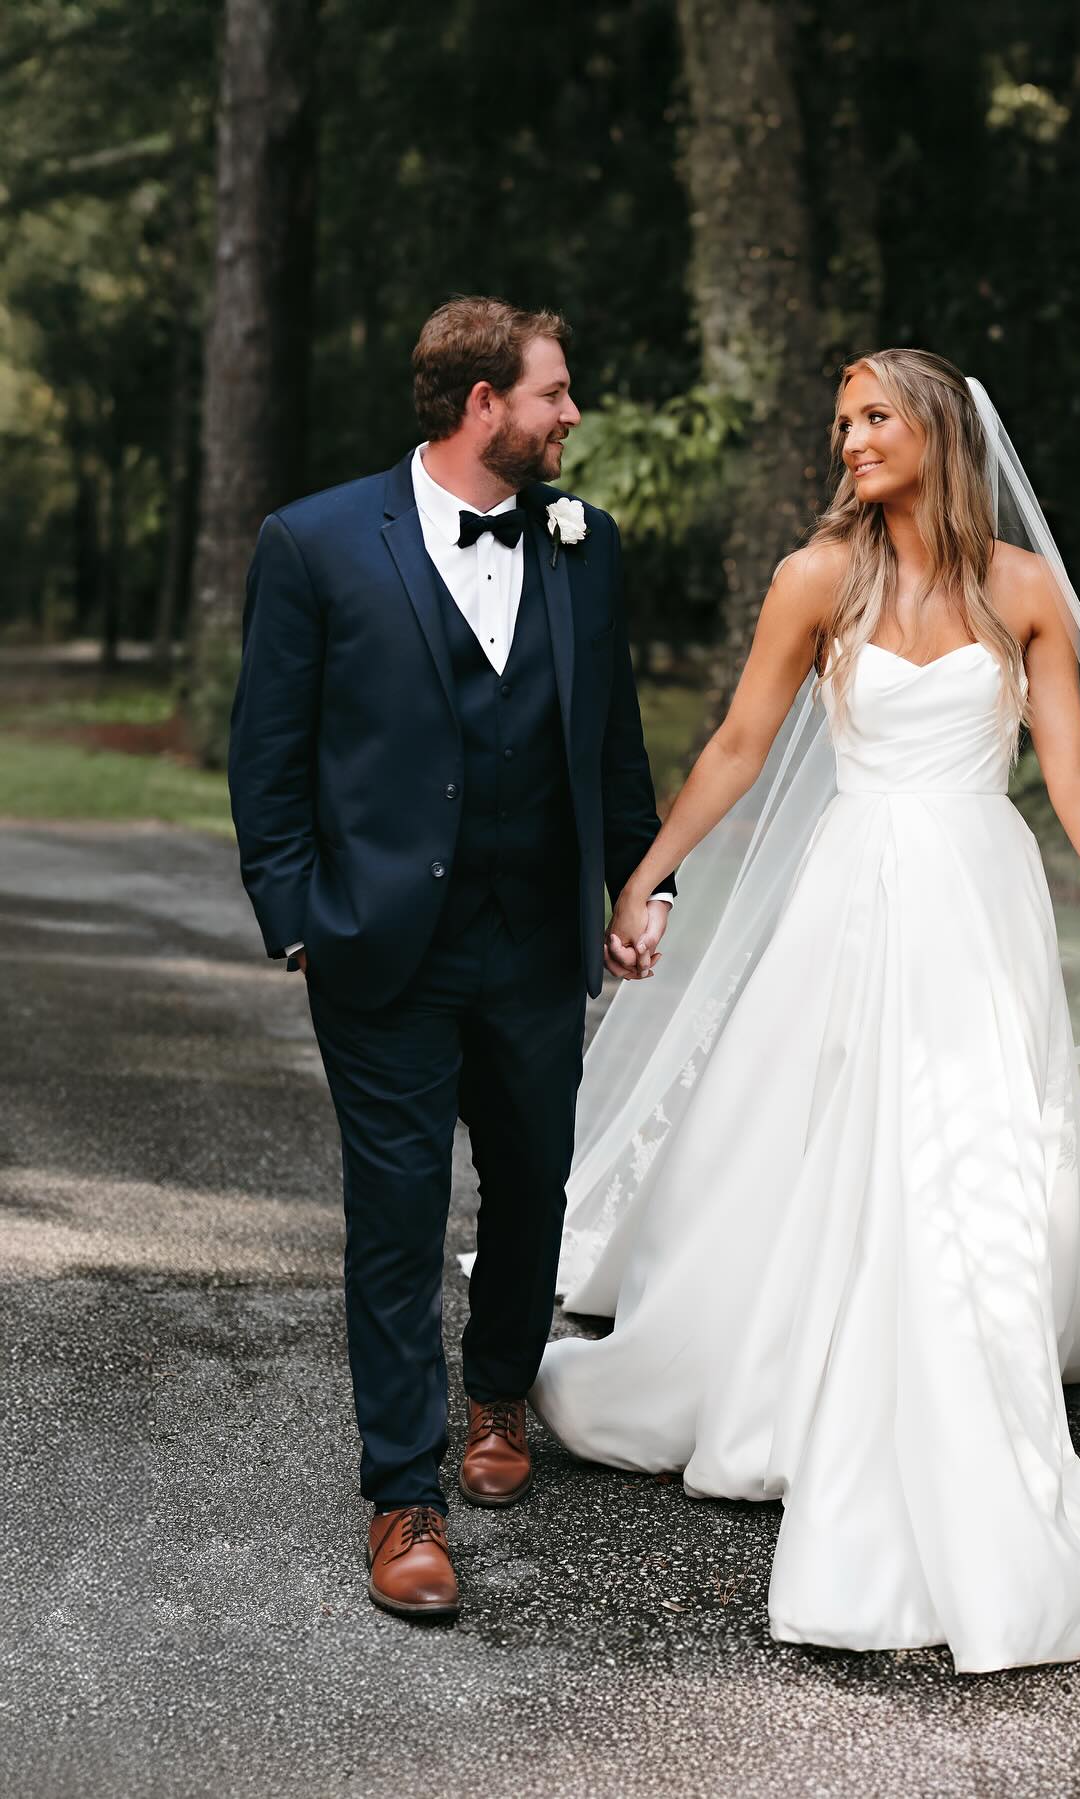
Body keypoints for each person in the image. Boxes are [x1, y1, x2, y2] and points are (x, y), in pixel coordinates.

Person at [531, 349, 1080, 1673]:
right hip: (853, 893)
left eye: (872, 418)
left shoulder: (1023, 591)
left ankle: (955, 1358)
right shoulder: (817, 580)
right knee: (826, 1129)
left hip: (978, 898)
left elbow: (1075, 781)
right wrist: (645, 875)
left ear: (938, 431)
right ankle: (790, 1369)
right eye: (839, 422)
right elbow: (741, 744)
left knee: (967, 1148)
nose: (849, 439)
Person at [228, 296, 674, 1620]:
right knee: (399, 1211)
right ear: (486, 405)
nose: (571, 414)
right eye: (554, 393)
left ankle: (500, 1395)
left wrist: (641, 883)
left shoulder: (587, 549)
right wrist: (296, 912)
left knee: (534, 1184)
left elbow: (615, 734)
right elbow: (272, 748)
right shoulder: (314, 544)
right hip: (383, 948)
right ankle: (402, 1500)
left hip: (536, 940)